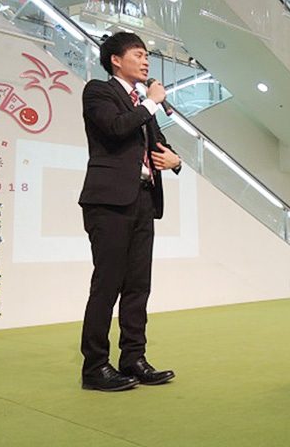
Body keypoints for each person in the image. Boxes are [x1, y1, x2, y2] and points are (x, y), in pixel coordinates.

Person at [78, 32, 182, 391]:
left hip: (143, 199)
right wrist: (151, 102)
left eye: (147, 56)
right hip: (108, 202)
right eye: (138, 54)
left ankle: (133, 358)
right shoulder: (99, 91)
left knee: (138, 286)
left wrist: (176, 161)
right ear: (116, 60)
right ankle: (95, 367)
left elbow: (159, 144)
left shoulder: (142, 103)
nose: (145, 61)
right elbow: (116, 128)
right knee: (107, 284)